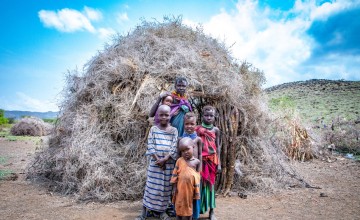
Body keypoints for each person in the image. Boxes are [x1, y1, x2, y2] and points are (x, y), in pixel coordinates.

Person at [136, 105, 178, 220]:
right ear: (157, 116)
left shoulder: (174, 130)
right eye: (161, 114)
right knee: (151, 187)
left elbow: (174, 147)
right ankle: (143, 214)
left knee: (165, 188)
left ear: (171, 115)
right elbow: (150, 145)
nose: (164, 117)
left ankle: (162, 212)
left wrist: (165, 159)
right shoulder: (153, 129)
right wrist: (158, 160)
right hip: (155, 165)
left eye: (166, 115)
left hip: (168, 165)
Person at [195, 105, 221, 220]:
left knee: (211, 186)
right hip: (201, 161)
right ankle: (199, 209)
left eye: (211, 115)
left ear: (214, 116)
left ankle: (211, 211)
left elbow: (218, 147)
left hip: (212, 161)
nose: (209, 117)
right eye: (206, 115)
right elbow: (195, 146)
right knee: (199, 185)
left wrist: (219, 163)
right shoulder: (198, 129)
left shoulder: (216, 130)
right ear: (202, 116)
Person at [179, 112, 203, 220]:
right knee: (184, 194)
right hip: (183, 172)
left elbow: (200, 154)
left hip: (195, 172)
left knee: (195, 193)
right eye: (187, 124)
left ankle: (195, 215)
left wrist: (199, 169)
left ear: (196, 124)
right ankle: (183, 213)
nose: (189, 126)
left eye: (192, 124)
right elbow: (178, 157)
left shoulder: (198, 139)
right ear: (183, 124)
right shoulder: (180, 139)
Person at [170, 137, 201, 220]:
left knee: (188, 208)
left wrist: (196, 190)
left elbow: (198, 176)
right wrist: (174, 187)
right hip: (179, 190)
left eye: (187, 149)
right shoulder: (179, 161)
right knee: (178, 206)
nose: (185, 152)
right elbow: (175, 174)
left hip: (190, 191)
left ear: (193, 147)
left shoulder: (197, 162)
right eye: (182, 151)